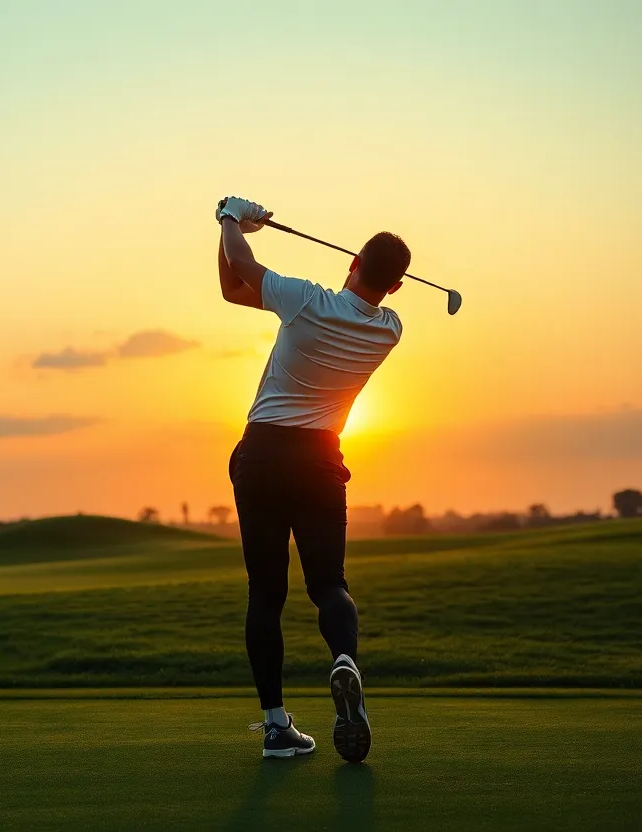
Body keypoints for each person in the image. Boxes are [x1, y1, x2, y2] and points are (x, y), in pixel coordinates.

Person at [216, 196, 409, 763]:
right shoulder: (391, 329)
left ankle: (276, 728)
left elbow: (240, 270)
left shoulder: (304, 300)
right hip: (322, 460)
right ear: (396, 287)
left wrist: (229, 217)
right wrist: (230, 227)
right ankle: (344, 660)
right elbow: (233, 287)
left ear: (353, 261)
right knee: (329, 585)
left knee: (265, 593)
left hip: (263, 454)